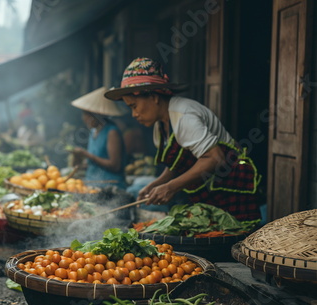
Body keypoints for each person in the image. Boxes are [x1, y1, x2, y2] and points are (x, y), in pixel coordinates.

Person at [105, 58, 261, 223]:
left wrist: (171, 187)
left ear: (153, 97)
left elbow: (215, 158)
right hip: (208, 193)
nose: (134, 114)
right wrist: (156, 184)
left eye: (134, 106)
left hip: (231, 189)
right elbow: (177, 166)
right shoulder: (161, 125)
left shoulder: (183, 116)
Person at [70, 87, 127, 189]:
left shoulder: (112, 132)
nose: (84, 118)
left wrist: (87, 154)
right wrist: (78, 157)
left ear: (96, 115)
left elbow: (115, 165)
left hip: (110, 187)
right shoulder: (93, 131)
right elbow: (93, 164)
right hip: (92, 185)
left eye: (86, 115)